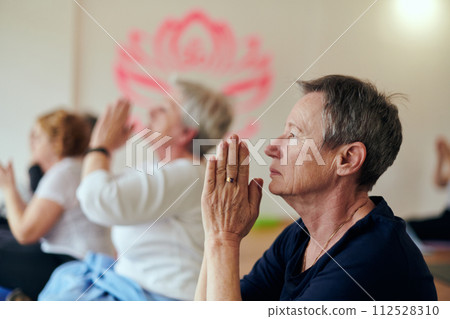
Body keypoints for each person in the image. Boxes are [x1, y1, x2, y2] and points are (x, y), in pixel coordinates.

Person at [195, 75, 437, 301]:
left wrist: (223, 239)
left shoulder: (371, 259)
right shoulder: (299, 236)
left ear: (347, 159)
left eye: (293, 136)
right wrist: (215, 233)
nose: (271, 148)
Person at [39, 79, 233, 301]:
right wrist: (104, 150)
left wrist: (100, 146)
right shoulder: (158, 168)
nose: (151, 110)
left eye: (164, 109)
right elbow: (102, 190)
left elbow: (97, 200)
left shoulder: (189, 175)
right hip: (132, 286)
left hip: (163, 297)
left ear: (186, 133)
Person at [0, 110, 112, 300]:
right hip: (76, 260)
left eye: (38, 137)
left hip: (74, 266)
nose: (32, 143)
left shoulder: (64, 172)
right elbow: (29, 218)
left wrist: (8, 189)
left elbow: (24, 233)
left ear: (57, 142)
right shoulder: (73, 168)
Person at [408, 136, 450, 241]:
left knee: (410, 227)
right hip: (446, 215)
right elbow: (439, 182)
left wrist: (447, 154)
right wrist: (440, 157)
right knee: (407, 225)